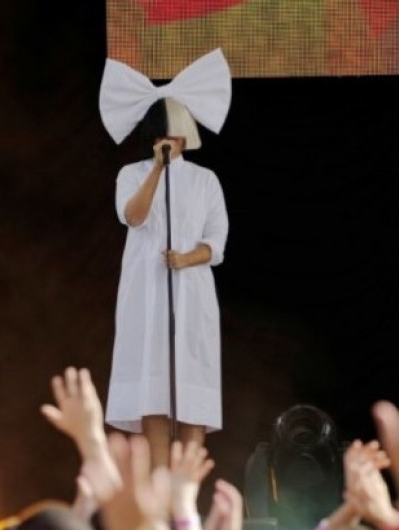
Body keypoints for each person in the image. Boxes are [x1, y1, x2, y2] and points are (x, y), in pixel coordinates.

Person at [98, 47, 233, 468]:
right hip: (147, 294)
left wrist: (188, 257)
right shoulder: (131, 175)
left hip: (191, 293)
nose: (174, 140)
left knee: (192, 390)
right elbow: (133, 217)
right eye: (167, 134)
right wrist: (156, 169)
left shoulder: (205, 180)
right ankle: (157, 488)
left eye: (178, 133)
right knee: (153, 393)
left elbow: (218, 240)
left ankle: (186, 497)